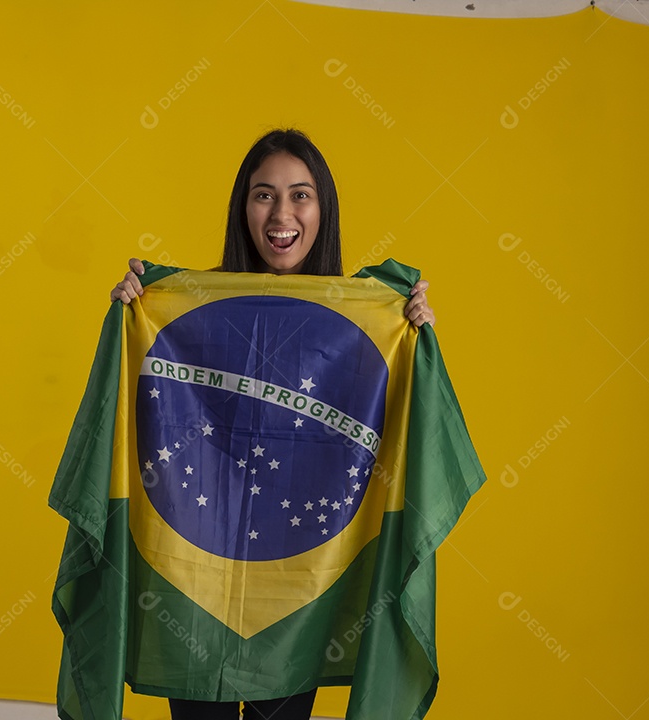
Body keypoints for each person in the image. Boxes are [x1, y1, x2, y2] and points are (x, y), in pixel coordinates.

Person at [107, 128, 436, 720]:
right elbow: (152, 405)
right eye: (264, 195)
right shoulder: (190, 312)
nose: (281, 214)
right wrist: (138, 308)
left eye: (300, 195)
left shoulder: (364, 323)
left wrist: (411, 333)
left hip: (301, 587)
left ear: (323, 209)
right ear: (242, 208)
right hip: (196, 584)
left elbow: (392, 427)